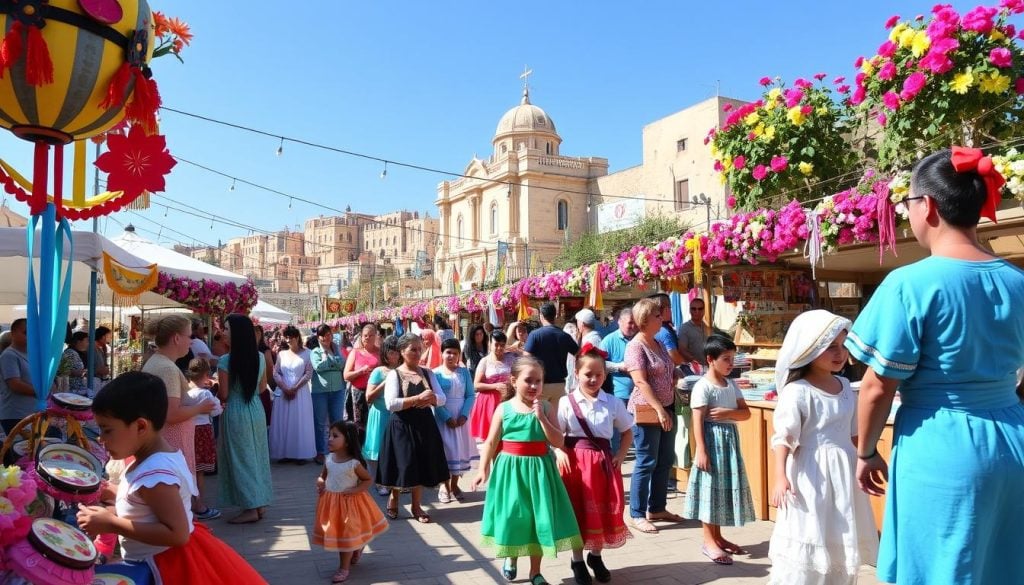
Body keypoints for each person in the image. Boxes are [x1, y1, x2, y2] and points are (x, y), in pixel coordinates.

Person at [847, 148, 1024, 584]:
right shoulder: (1017, 281)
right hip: (1013, 439)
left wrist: (866, 452)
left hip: (942, 443)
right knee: (999, 564)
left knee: (943, 567)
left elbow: (876, 386)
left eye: (907, 203)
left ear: (927, 206)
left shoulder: (910, 283)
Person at [75, 372, 267, 584]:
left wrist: (112, 523)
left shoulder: (155, 474)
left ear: (140, 426)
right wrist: (115, 493)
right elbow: (147, 506)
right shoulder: (158, 458)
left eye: (107, 430)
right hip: (165, 558)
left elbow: (177, 534)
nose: (101, 439)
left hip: (165, 567)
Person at [768, 310, 878, 584]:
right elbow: (784, 437)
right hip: (810, 473)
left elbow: (854, 433)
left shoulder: (844, 386)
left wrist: (866, 458)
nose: (839, 353)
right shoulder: (798, 391)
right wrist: (780, 477)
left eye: (842, 346)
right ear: (810, 348)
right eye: (830, 347)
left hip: (844, 472)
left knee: (840, 529)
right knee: (811, 529)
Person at [473, 356, 582, 585]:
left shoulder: (546, 407)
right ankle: (511, 558)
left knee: (538, 519)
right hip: (511, 472)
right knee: (514, 517)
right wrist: (483, 469)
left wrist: (542, 418)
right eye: (528, 381)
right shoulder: (504, 409)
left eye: (538, 381)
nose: (534, 386)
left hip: (540, 471)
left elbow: (558, 441)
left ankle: (535, 571)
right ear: (514, 381)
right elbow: (491, 442)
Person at [555, 346, 633, 585]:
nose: (593, 379)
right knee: (578, 511)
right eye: (588, 373)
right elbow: (556, 434)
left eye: (598, 374)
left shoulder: (612, 402)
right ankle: (577, 560)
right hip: (576, 465)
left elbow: (627, 431)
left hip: (602, 465)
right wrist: (558, 451)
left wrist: (620, 454)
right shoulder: (566, 402)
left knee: (601, 511)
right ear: (577, 373)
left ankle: (596, 556)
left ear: (605, 376)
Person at [683, 336, 755, 565]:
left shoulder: (731, 385)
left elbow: (745, 413)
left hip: (729, 444)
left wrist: (727, 413)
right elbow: (697, 421)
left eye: (732, 358)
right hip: (711, 444)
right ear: (710, 360)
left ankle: (718, 536)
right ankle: (708, 540)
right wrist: (701, 451)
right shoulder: (703, 387)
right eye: (726, 359)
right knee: (709, 491)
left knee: (720, 491)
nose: (731, 363)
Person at [623, 298, 683, 535]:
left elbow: (665, 366)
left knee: (665, 460)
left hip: (666, 407)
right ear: (645, 320)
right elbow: (640, 380)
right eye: (657, 315)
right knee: (646, 461)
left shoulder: (657, 341)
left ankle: (657, 507)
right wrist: (658, 408)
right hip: (647, 411)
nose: (662, 317)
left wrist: (675, 372)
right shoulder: (636, 346)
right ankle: (637, 513)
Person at [376, 333, 450, 523]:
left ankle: (416, 507)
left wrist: (433, 398)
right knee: (404, 463)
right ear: (402, 351)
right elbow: (391, 404)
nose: (418, 353)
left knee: (421, 464)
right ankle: (394, 497)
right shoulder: (395, 374)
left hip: (424, 424)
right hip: (401, 425)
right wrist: (417, 399)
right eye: (413, 349)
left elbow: (442, 398)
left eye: (419, 349)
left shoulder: (428, 373)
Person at [141, 315, 216, 485]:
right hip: (171, 443)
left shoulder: (160, 362)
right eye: (190, 336)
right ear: (176, 338)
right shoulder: (166, 368)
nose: (191, 341)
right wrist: (200, 407)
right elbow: (172, 414)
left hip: (166, 442)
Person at [314, 420, 390, 584]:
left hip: (350, 504)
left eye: (335, 436)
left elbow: (367, 480)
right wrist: (320, 481)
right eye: (329, 435)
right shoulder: (329, 459)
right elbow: (323, 476)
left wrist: (355, 490)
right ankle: (357, 546)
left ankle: (343, 568)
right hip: (332, 505)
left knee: (346, 535)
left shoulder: (353, 464)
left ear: (347, 441)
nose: (330, 439)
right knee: (343, 534)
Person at [217, 314, 274, 525]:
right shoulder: (259, 357)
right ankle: (259, 504)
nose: (222, 332)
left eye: (226, 329)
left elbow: (223, 394)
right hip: (255, 409)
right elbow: (261, 387)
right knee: (257, 457)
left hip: (236, 410)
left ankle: (250, 507)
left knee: (241, 459)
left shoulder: (225, 361)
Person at [432, 338, 477, 503]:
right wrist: (446, 417)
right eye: (448, 352)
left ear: (459, 355)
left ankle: (455, 485)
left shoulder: (464, 372)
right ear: (442, 353)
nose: (451, 356)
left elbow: (470, 395)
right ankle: (444, 486)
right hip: (443, 419)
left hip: (462, 419)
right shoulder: (434, 373)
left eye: (455, 353)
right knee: (446, 451)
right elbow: (434, 400)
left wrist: (464, 415)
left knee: (460, 450)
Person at [271, 325, 317, 464]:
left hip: (301, 392)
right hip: (283, 391)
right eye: (286, 337)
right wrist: (285, 388)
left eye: (291, 336)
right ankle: (285, 453)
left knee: (299, 422)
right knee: (283, 422)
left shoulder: (308, 353)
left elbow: (308, 373)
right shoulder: (281, 354)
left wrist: (295, 388)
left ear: (297, 337)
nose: (288, 339)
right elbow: (276, 372)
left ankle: (301, 454)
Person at [185, 359, 223, 521]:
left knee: (190, 469)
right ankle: (199, 503)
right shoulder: (205, 393)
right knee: (200, 471)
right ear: (206, 374)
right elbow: (216, 411)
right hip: (203, 430)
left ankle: (190, 502)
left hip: (188, 431)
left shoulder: (185, 392)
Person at [363, 335, 401, 497]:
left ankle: (396, 480)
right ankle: (379, 481)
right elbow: (368, 397)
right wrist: (385, 383)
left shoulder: (403, 370)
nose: (394, 356)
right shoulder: (379, 371)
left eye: (397, 352)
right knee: (377, 448)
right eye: (391, 352)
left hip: (398, 414)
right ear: (385, 353)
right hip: (380, 414)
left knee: (396, 449)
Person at [524, 302, 579, 407]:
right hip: (559, 384)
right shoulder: (564, 336)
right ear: (555, 315)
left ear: (541, 316)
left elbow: (526, 357)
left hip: (540, 383)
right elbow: (579, 354)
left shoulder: (535, 335)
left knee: (538, 417)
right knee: (556, 419)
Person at [599, 308, 638, 452]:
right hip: (618, 394)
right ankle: (615, 464)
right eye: (630, 323)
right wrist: (619, 367)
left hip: (639, 393)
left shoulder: (640, 338)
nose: (633, 327)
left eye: (635, 323)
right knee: (616, 433)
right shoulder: (609, 340)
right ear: (619, 322)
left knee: (636, 432)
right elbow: (600, 363)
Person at [311, 324, 347, 466]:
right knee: (320, 423)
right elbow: (318, 367)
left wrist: (328, 360)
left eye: (329, 334)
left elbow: (342, 364)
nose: (327, 337)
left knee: (337, 421)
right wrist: (331, 360)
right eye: (323, 335)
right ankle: (321, 451)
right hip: (320, 391)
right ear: (318, 337)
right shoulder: (314, 352)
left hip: (338, 390)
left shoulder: (336, 348)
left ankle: (336, 450)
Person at [470, 331, 516, 442]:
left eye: (502, 345)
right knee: (492, 438)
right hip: (489, 402)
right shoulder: (484, 361)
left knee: (508, 436)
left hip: (508, 399)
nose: (499, 348)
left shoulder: (511, 358)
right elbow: (476, 385)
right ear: (490, 344)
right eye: (496, 344)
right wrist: (495, 386)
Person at [0, 319, 34, 434]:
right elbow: (15, 384)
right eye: (25, 333)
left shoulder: (32, 355)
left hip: (31, 413)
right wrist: (41, 391)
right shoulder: (9, 355)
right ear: (13, 334)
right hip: (16, 415)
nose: (30, 336)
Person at [344, 324, 380, 431]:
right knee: (358, 426)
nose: (367, 338)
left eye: (371, 335)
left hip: (376, 392)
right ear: (361, 337)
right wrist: (360, 371)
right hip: (358, 394)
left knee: (373, 423)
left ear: (376, 336)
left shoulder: (380, 352)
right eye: (365, 336)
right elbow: (346, 376)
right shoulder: (355, 352)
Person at [647, 293, 686, 367]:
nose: (671, 311)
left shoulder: (658, 328)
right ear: (665, 310)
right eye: (669, 307)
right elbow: (675, 358)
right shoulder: (663, 331)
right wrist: (688, 363)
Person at [676, 298, 709, 374]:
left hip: (706, 368)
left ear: (704, 311)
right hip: (692, 370)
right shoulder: (685, 328)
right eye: (693, 309)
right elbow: (682, 350)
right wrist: (696, 363)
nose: (697, 311)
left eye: (700, 309)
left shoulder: (706, 327)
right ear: (690, 310)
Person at [254, 324, 275, 428]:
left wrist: (270, 385)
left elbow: (270, 369)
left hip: (262, 388)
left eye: (257, 332)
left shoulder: (264, 350)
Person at [59, 331, 90, 395]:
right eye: (86, 341)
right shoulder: (69, 353)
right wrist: (76, 372)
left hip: (79, 390)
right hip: (73, 391)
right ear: (79, 342)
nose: (88, 343)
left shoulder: (81, 353)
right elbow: (63, 371)